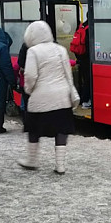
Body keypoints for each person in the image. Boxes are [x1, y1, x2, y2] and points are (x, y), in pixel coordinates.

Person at [17, 21, 79, 174]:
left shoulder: (33, 51)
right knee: (61, 131)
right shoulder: (60, 49)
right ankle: (60, 165)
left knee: (34, 130)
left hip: (40, 97)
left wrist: (28, 90)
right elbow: (67, 73)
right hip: (61, 97)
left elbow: (30, 76)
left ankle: (32, 160)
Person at [74, 20, 92, 109]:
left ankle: (84, 100)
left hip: (81, 57)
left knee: (85, 80)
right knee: (89, 80)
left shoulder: (81, 26)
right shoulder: (91, 27)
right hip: (88, 59)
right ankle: (86, 101)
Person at [16, 40, 31, 132]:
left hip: (25, 82)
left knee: (26, 104)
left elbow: (19, 63)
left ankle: (27, 126)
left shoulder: (25, 45)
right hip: (39, 82)